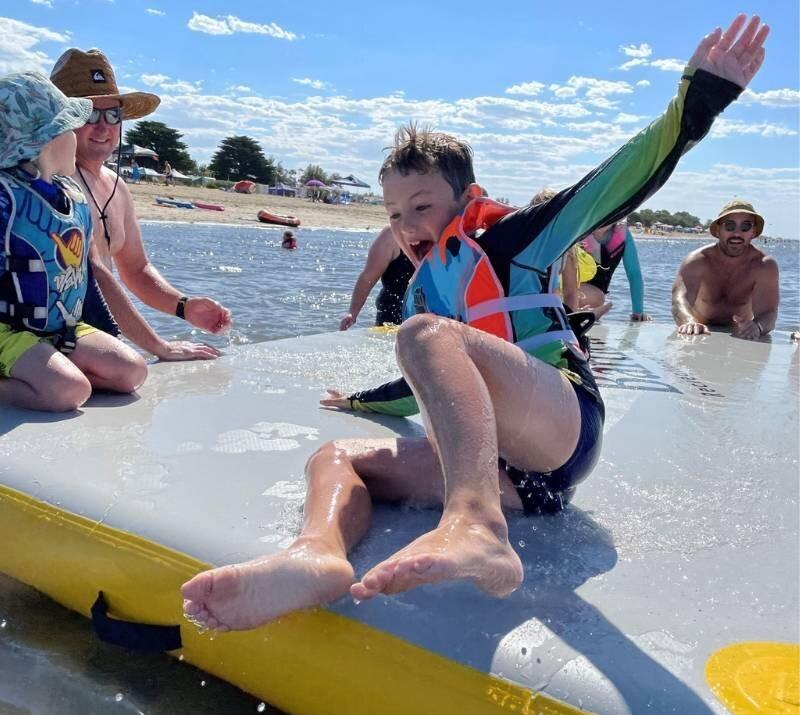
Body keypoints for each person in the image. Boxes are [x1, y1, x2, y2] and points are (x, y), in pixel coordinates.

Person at [182, 15, 769, 631]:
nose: (407, 226)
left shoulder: (515, 242)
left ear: (467, 201)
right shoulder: (425, 290)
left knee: (424, 337)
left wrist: (699, 98)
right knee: (337, 457)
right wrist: (363, 403)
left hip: (561, 428)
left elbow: (616, 181)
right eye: (395, 213)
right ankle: (318, 554)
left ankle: (475, 525)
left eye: (423, 207)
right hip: (510, 478)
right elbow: (431, 387)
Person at [50, 49, 231, 358]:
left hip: (95, 331)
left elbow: (135, 268)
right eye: (89, 113)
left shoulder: (117, 187)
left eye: (113, 115)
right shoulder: (54, 180)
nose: (103, 126)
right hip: (53, 334)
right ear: (62, 119)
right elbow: (94, 273)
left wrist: (184, 306)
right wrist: (158, 346)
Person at [0, 72, 147, 411]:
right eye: (71, 126)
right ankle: (46, 379)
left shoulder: (71, 197)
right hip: (7, 332)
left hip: (59, 328)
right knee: (68, 392)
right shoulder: (6, 199)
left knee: (131, 373)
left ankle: (49, 372)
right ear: (43, 140)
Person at [672, 199, 778, 338]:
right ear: (718, 230)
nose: (737, 233)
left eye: (745, 227)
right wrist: (688, 321)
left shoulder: (764, 265)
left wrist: (757, 327)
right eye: (729, 226)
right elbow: (679, 299)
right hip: (699, 332)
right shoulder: (697, 261)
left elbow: (769, 313)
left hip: (739, 336)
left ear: (753, 232)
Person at [340, 225, 415, 329]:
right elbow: (368, 278)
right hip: (391, 319)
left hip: (434, 318)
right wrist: (352, 313)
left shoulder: (441, 237)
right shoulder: (392, 235)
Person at [578, 220, 651, 321]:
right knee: (598, 297)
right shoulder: (578, 229)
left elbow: (634, 274)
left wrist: (638, 311)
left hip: (594, 297)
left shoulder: (622, 234)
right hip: (567, 289)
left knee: (598, 298)